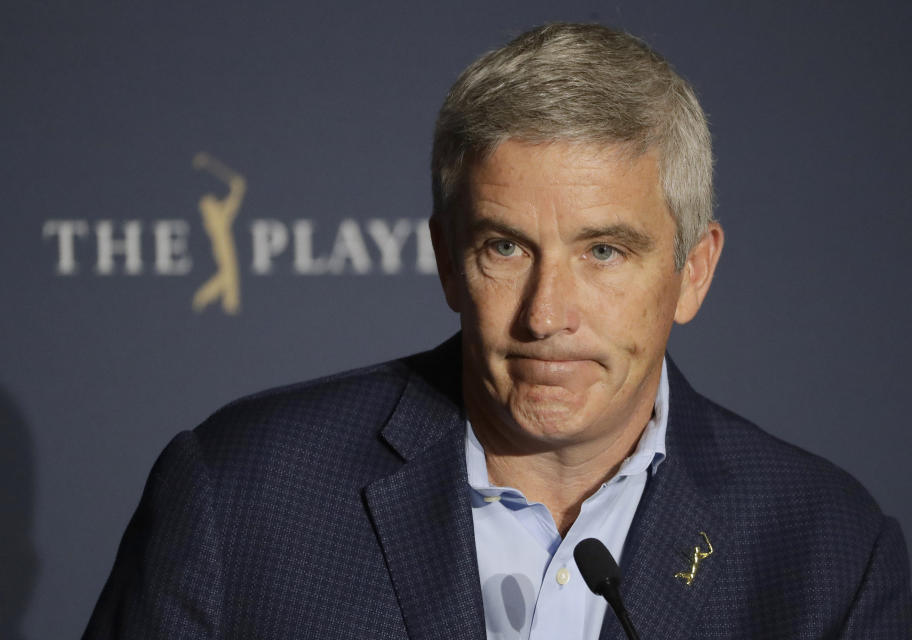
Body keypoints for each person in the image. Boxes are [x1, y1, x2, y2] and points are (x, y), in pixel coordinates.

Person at [84, 23, 912, 639]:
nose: (547, 315)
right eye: (505, 247)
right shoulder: (241, 494)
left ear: (692, 271)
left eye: (604, 251)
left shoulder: (830, 552)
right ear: (447, 261)